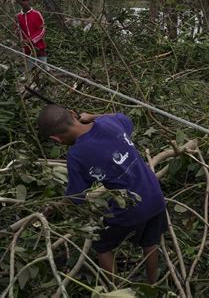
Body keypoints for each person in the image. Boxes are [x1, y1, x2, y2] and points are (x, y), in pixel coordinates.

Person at [37, 105, 167, 284]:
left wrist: (54, 207)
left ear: (56, 139)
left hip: (130, 208)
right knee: (150, 242)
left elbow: (76, 197)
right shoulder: (108, 122)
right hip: (155, 194)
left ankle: (117, 290)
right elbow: (124, 117)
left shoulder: (76, 155)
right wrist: (94, 115)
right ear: (74, 114)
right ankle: (153, 286)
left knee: (102, 245)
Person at [16, 0, 47, 68]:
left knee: (44, 71)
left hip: (39, 47)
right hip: (27, 50)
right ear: (19, 2)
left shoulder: (37, 14)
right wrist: (18, 31)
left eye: (27, 0)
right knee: (30, 72)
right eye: (23, 0)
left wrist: (30, 40)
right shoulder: (18, 16)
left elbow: (42, 31)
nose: (26, 2)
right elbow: (17, 32)